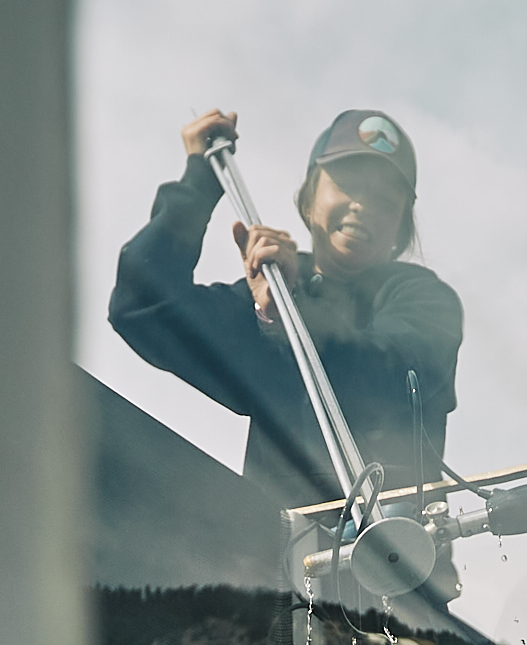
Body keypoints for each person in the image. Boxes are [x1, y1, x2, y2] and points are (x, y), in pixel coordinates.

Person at [111, 107, 463, 515]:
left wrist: (285, 316)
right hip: (272, 564)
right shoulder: (269, 293)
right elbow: (142, 309)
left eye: (384, 199)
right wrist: (199, 184)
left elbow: (388, 375)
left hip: (395, 567)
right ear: (309, 201)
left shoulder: (425, 300)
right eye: (348, 185)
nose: (362, 205)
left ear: (401, 227)